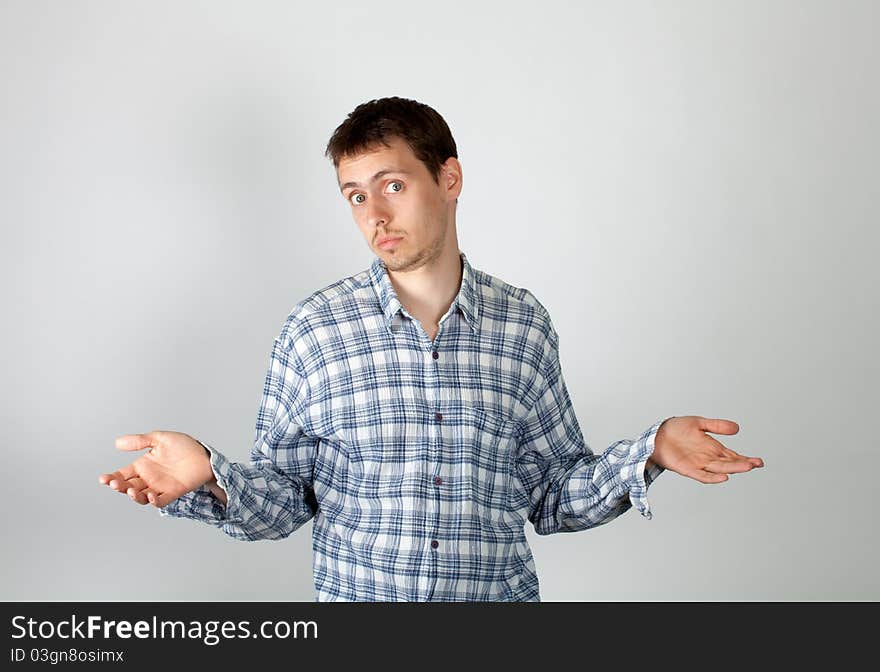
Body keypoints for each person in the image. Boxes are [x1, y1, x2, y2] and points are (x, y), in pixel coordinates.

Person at [99, 96, 764, 601]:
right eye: (356, 196)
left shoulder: (523, 327)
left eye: (392, 185)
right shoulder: (314, 332)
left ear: (450, 179)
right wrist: (212, 475)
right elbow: (284, 500)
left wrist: (650, 452)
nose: (374, 216)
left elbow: (554, 496)